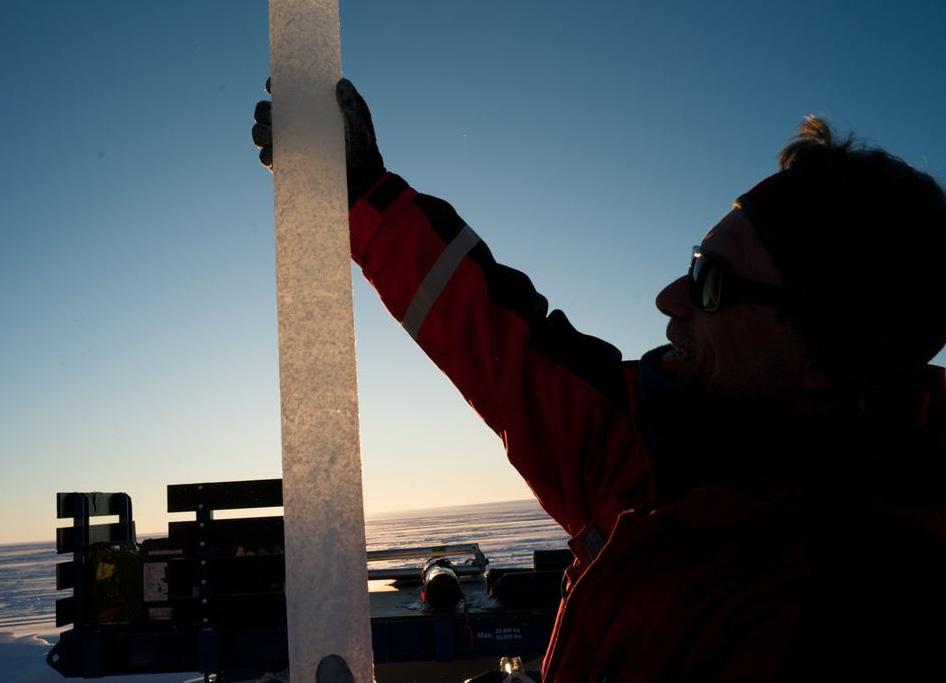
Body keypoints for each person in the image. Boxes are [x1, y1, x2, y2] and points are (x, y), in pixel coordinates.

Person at [253, 80, 946, 681]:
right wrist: (364, 190)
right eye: (694, 260)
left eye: (711, 283)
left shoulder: (845, 610)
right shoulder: (645, 440)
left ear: (821, 358)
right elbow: (500, 339)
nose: (670, 297)